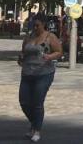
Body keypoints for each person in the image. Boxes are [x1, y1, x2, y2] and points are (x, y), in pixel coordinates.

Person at [18, 14, 63, 142]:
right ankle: (35, 123)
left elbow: (59, 51)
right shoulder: (28, 37)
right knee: (24, 102)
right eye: (33, 25)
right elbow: (23, 52)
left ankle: (36, 130)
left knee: (37, 102)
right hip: (27, 73)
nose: (35, 27)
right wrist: (20, 58)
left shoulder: (50, 37)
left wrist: (49, 57)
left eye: (37, 25)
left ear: (44, 24)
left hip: (44, 73)